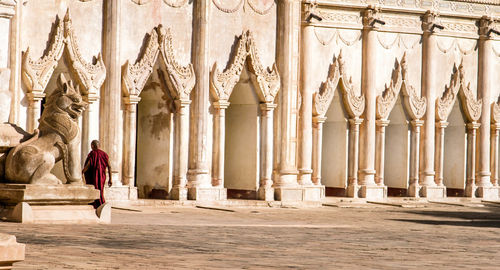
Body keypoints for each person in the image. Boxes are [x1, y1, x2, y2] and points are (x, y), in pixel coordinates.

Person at [82, 140, 112, 209]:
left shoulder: (93, 154)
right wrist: (110, 179)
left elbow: (88, 164)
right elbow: (109, 166)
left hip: (94, 176)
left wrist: (82, 171)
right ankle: (101, 203)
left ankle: (96, 204)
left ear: (92, 146)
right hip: (102, 177)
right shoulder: (104, 154)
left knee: (95, 190)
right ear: (99, 146)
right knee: (100, 190)